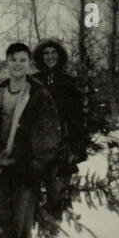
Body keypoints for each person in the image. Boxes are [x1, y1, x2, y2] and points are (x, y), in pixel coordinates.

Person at [0, 43, 61, 238]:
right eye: (13, 59)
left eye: (22, 60)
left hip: (26, 165)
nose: (17, 64)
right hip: (2, 164)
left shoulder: (38, 93)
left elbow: (49, 132)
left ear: (29, 63)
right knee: (2, 211)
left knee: (22, 214)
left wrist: (37, 164)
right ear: (7, 62)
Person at [32, 39, 88, 221]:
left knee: (56, 191)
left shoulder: (68, 83)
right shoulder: (33, 82)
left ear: (60, 56)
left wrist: (77, 147)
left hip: (60, 146)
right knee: (29, 193)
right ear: (41, 57)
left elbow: (76, 118)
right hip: (36, 146)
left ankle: (52, 231)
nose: (50, 57)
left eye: (53, 53)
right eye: (46, 53)